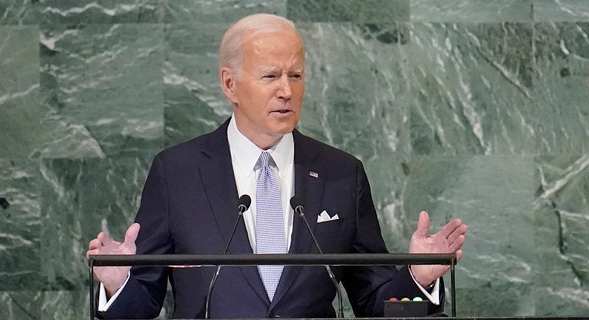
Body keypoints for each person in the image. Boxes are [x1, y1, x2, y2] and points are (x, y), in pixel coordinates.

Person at [87, 13, 467, 319]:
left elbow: (375, 303)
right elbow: (140, 306)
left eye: (296, 76)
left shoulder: (341, 173)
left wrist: (418, 278)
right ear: (230, 84)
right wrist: (116, 286)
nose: (286, 90)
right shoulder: (178, 172)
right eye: (270, 76)